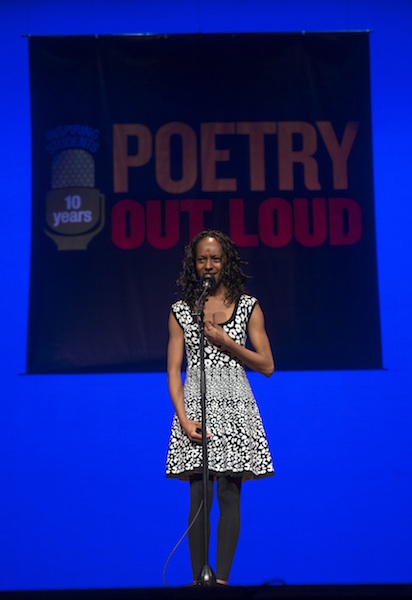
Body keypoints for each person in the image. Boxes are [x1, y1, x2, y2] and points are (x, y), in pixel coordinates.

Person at [166, 229, 275, 585]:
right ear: (193, 264)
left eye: (214, 258)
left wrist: (227, 342)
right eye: (202, 259)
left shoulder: (248, 306)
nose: (208, 265)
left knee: (229, 491)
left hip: (235, 405)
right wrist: (183, 418)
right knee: (199, 494)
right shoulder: (182, 311)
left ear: (225, 261)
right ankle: (200, 580)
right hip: (196, 408)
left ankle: (223, 582)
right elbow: (173, 370)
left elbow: (267, 365)